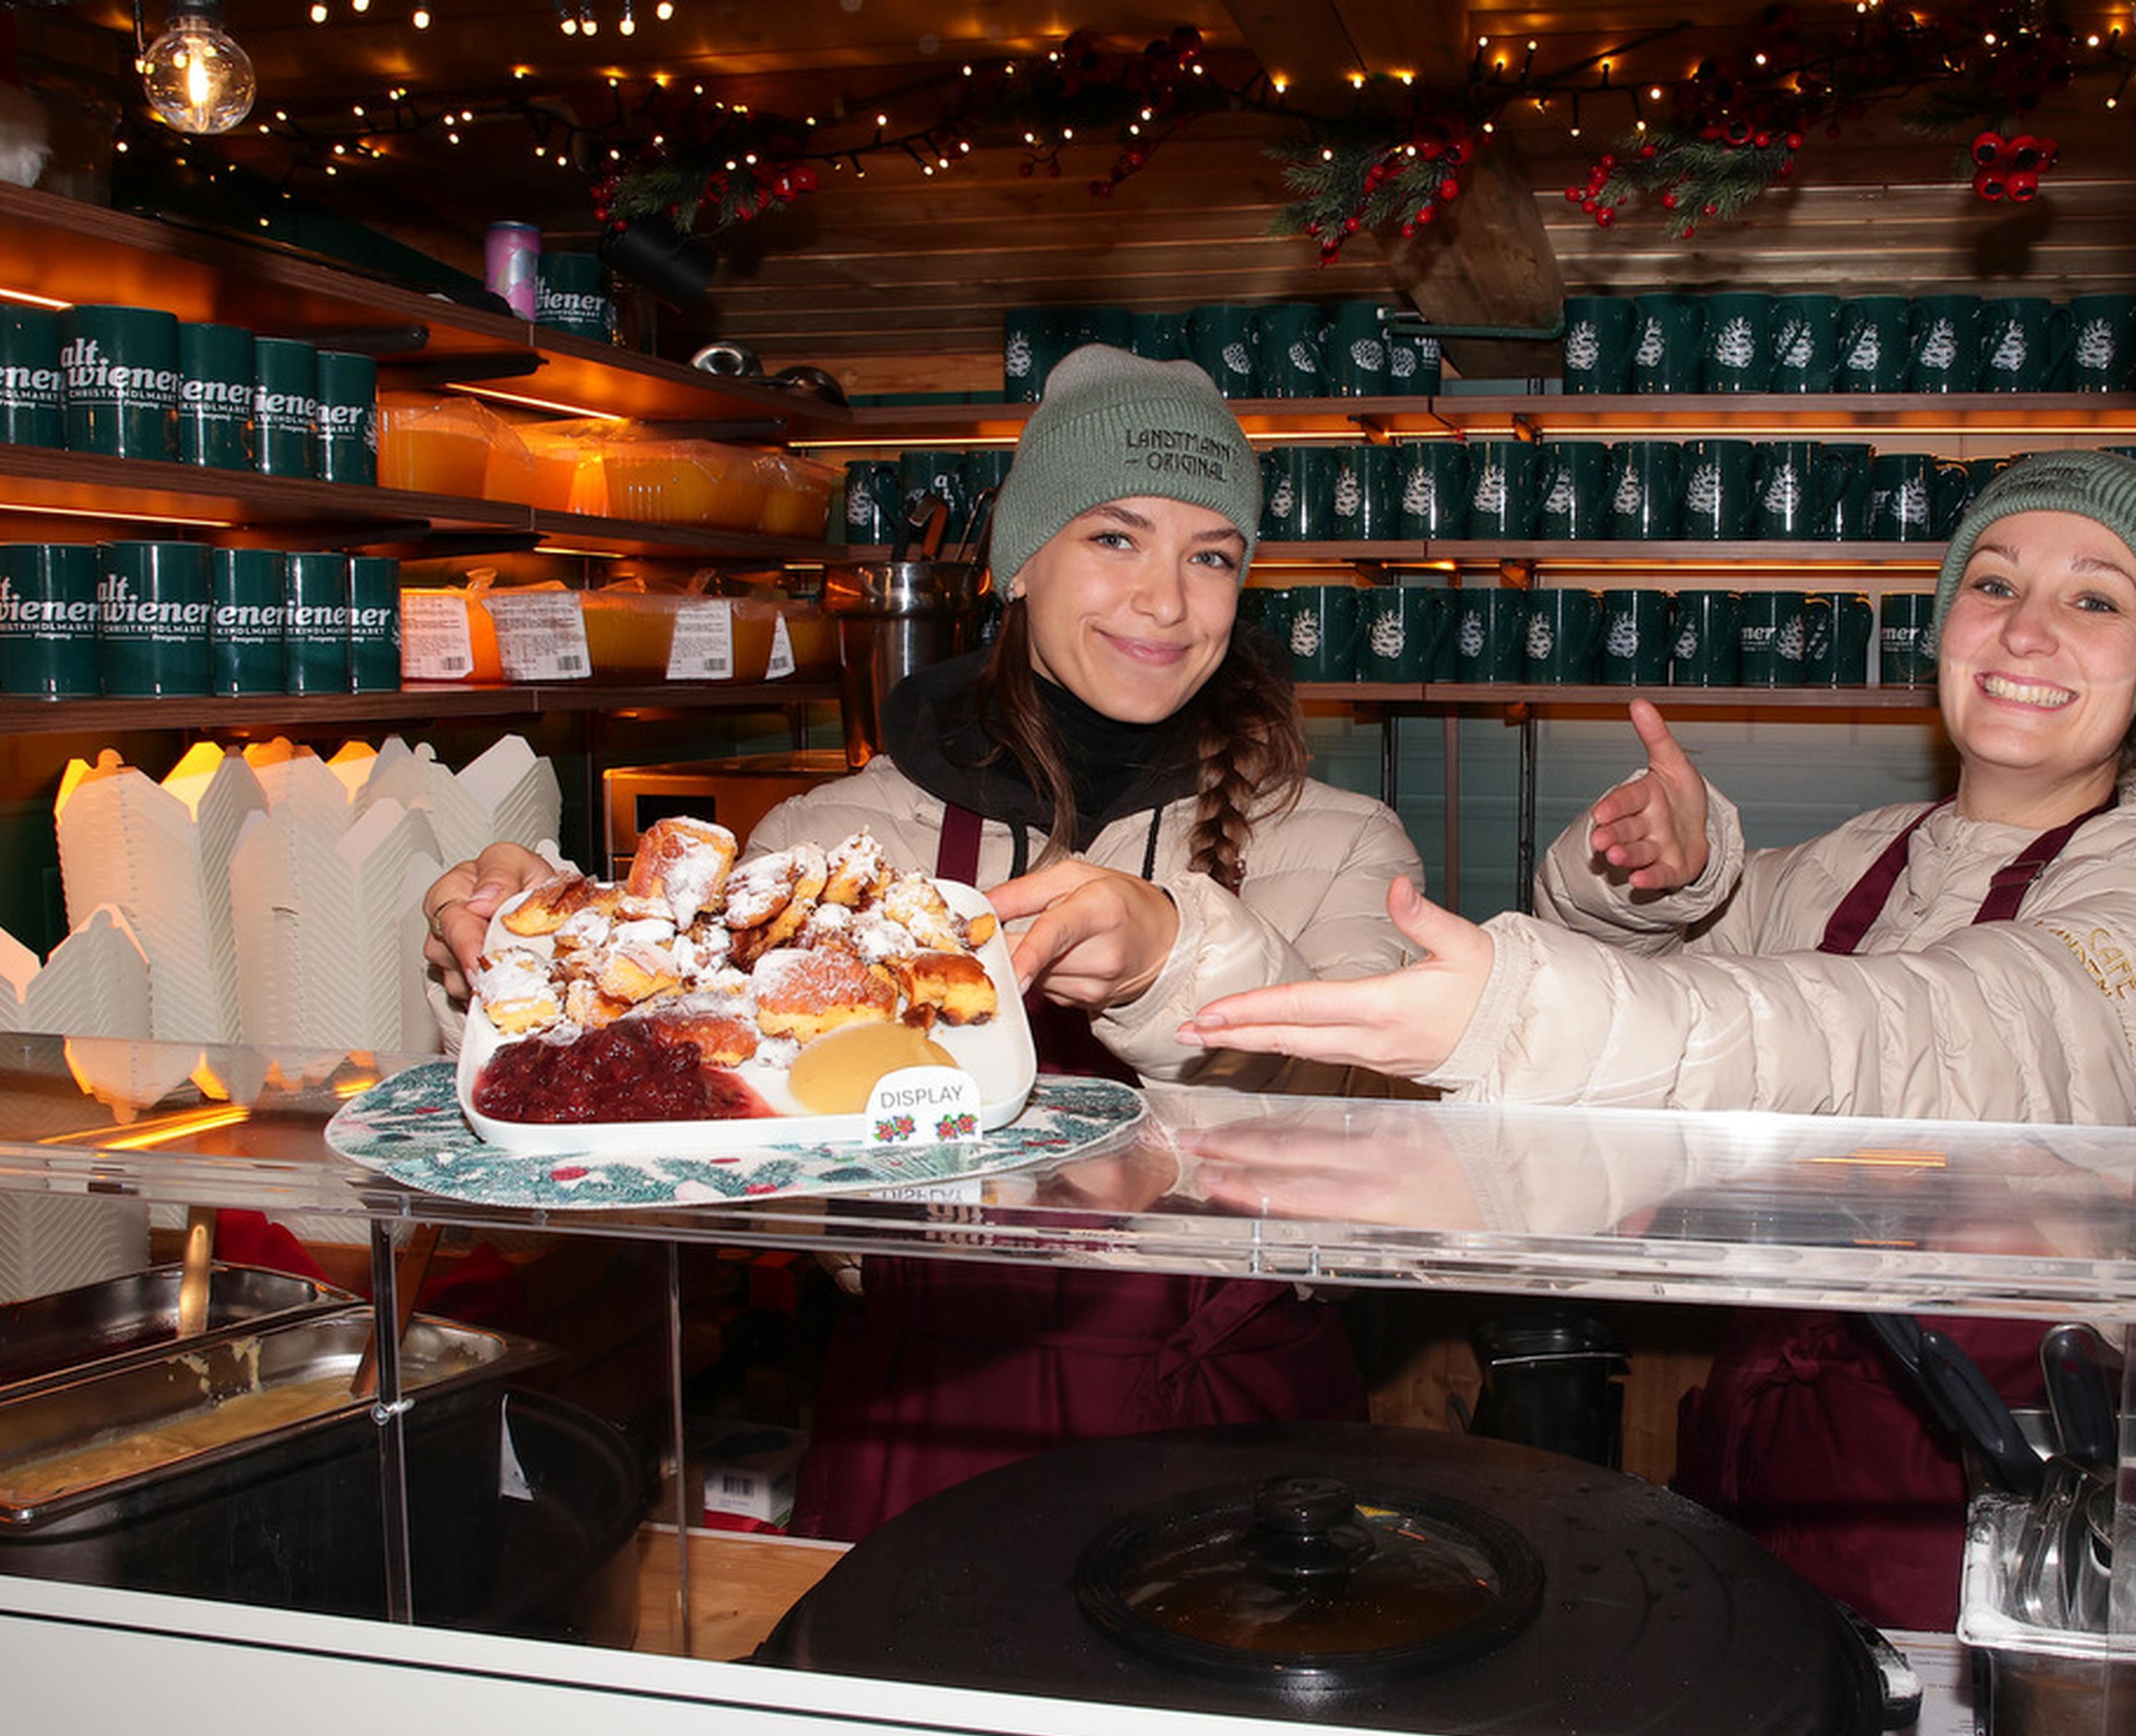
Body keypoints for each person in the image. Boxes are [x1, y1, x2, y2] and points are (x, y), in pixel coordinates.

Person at [1180, 449, 2136, 1625]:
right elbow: (1679, 1021)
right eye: (1992, 584)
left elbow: (1974, 1026)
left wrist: (1526, 1008)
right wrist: (1648, 879)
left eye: (2095, 598)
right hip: (1781, 1461)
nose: (2027, 630)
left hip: (2028, 1521)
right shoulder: (1864, 859)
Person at [423, 344, 1424, 1540]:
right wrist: (524, 969)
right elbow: (686, 1114)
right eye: (1116, 536)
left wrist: (1177, 956)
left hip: (1241, 1436)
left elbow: (1380, 1131)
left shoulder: (1342, 842)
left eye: (1211, 555)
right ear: (1017, 563)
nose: (1167, 599)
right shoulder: (829, 840)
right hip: (926, 1431)